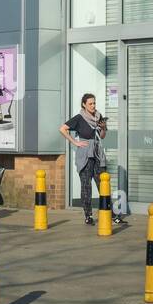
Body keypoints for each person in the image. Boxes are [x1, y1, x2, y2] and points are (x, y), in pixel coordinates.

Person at [61, 93, 121, 226]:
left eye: (94, 103)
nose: (93, 106)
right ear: (84, 104)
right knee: (86, 187)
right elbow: (63, 129)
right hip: (85, 155)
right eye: (90, 104)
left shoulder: (98, 117)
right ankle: (88, 216)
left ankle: (112, 215)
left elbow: (102, 136)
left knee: (103, 184)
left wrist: (104, 127)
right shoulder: (79, 118)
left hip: (98, 153)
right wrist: (75, 143)